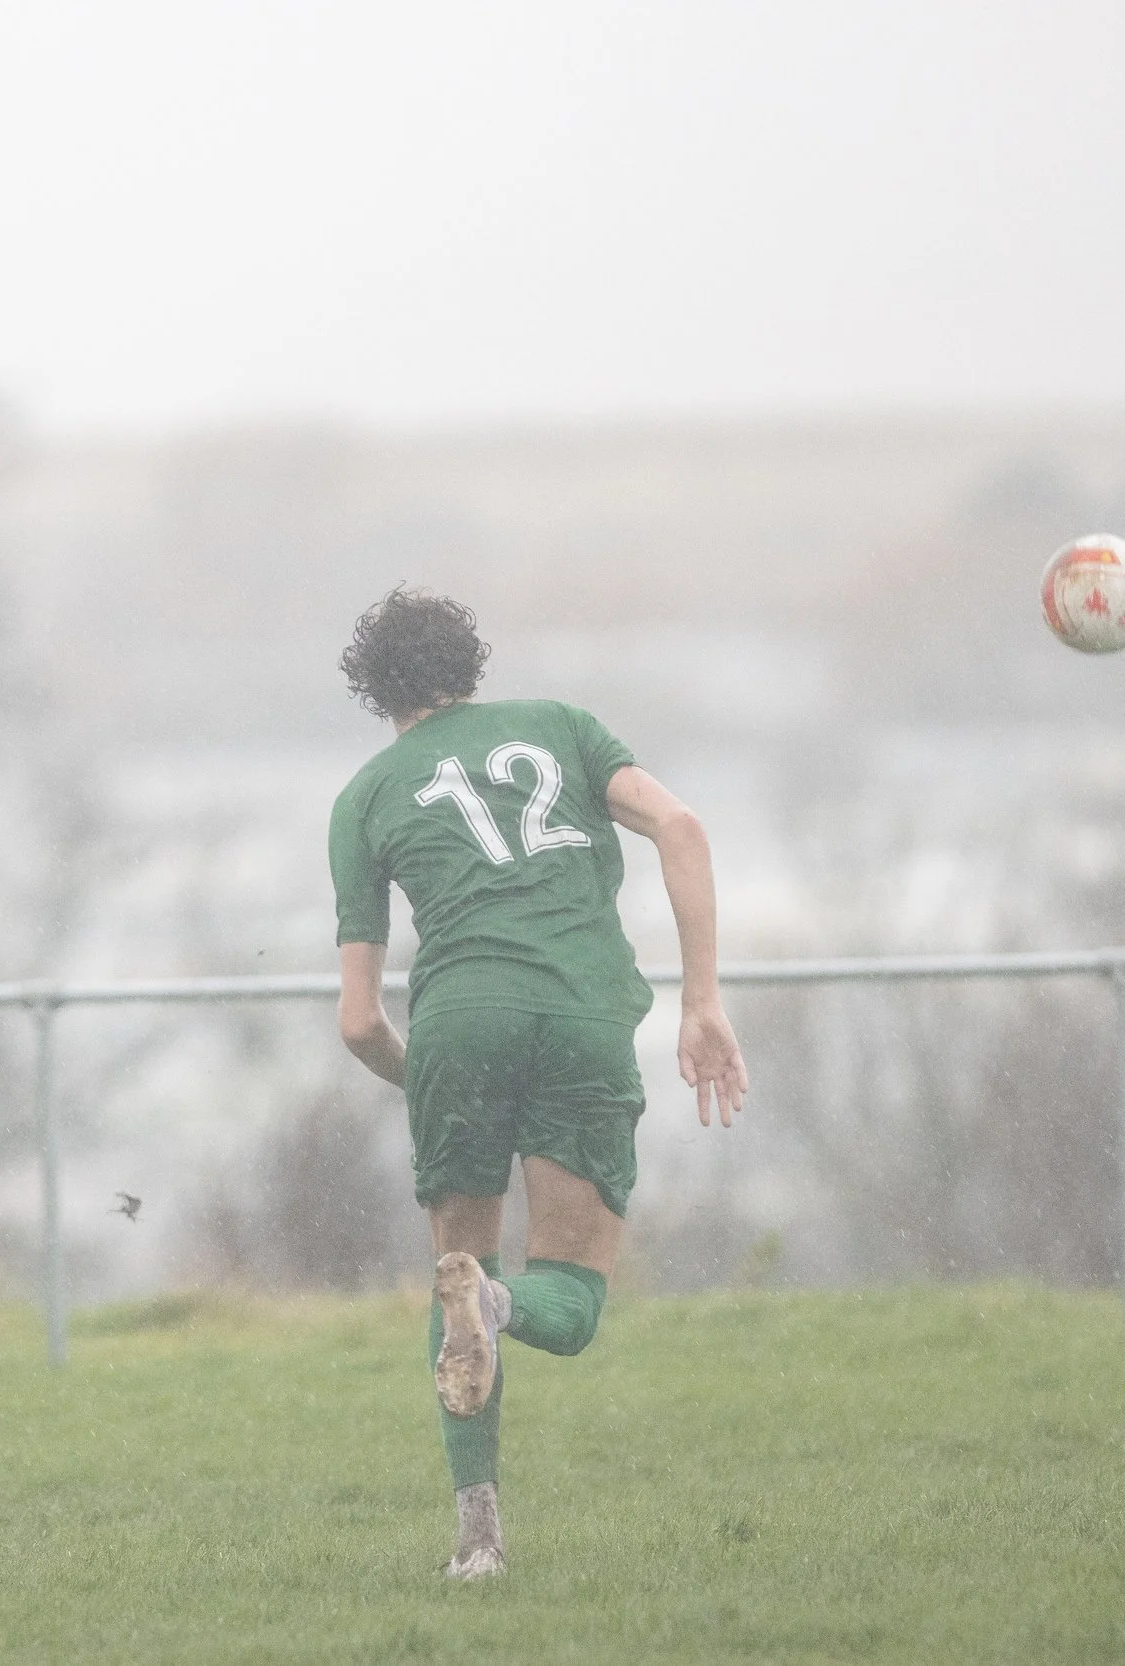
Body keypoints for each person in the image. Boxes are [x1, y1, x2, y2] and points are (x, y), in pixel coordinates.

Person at [327, 586, 749, 1581]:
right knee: (571, 1293)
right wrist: (700, 998)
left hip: (456, 1021)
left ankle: (477, 1538)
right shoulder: (560, 727)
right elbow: (680, 826)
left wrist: (422, 1072)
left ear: (372, 689)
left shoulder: (365, 797)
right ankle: (508, 1306)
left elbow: (355, 1020)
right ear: (468, 666)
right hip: (578, 1014)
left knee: (451, 1273)